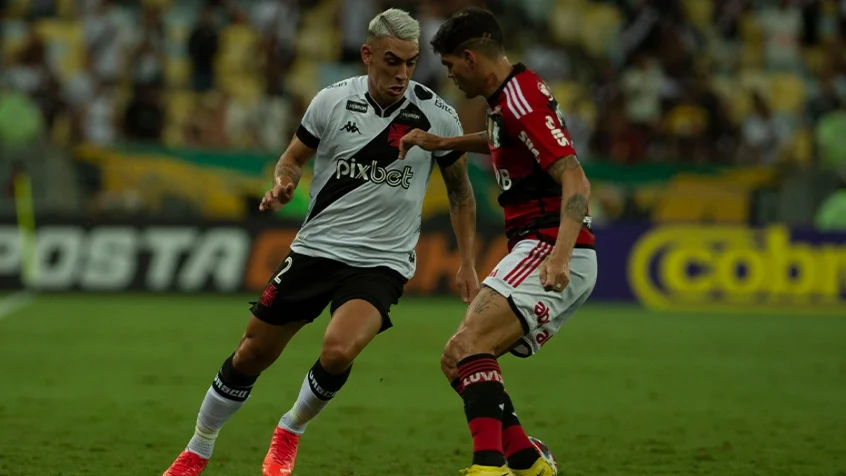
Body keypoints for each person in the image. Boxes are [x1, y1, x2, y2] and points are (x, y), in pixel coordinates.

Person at [162, 8, 479, 476]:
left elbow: (461, 194)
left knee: (338, 351)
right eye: (392, 61)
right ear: (367, 54)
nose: (403, 73)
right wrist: (284, 182)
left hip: (381, 261)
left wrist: (468, 262)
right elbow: (292, 159)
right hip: (316, 249)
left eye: (411, 63)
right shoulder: (331, 101)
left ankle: (290, 428)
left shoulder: (439, 117)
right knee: (252, 354)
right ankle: (198, 448)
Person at [398, 8, 597, 476]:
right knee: (457, 359)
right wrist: (442, 143)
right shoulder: (510, 96)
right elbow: (502, 139)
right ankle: (526, 460)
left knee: (470, 345)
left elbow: (576, 179)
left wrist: (560, 256)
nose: (449, 76)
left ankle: (488, 466)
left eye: (450, 65)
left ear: (471, 58)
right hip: (537, 244)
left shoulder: (520, 100)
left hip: (549, 244)